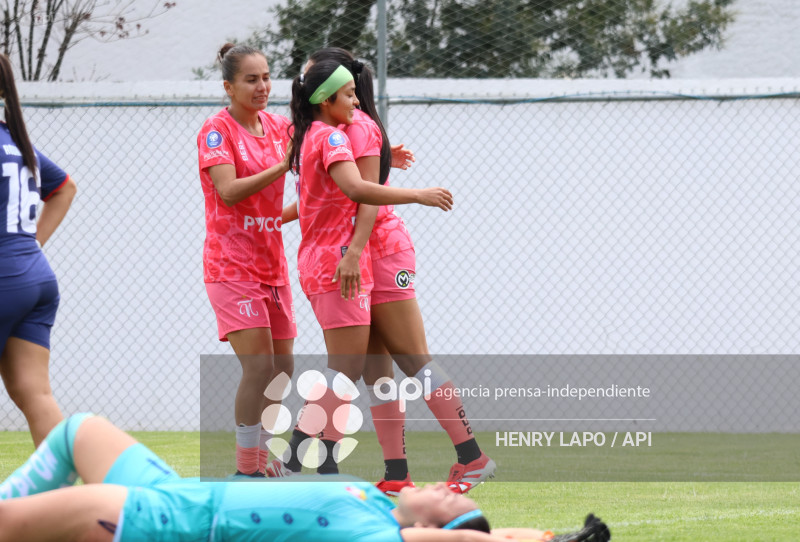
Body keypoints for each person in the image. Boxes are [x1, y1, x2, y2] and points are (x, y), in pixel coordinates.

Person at [303, 48, 495, 496]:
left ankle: (473, 458)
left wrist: (353, 249)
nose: (305, 78)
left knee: (413, 358)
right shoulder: (336, 129)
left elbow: (365, 198)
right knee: (377, 371)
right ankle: (395, 474)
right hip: (362, 256)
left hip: (381, 251)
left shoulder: (358, 126)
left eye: (312, 71)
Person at [0, 412, 610, 542]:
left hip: (157, 524)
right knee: (81, 431)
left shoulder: (379, 540)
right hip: (173, 491)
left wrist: (557, 541)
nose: (447, 486)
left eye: (452, 501)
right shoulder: (374, 498)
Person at [275, 59, 453, 476]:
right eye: (349, 94)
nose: (357, 102)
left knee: (358, 371)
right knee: (351, 370)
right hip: (341, 262)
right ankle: (294, 460)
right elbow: (357, 189)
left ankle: (333, 467)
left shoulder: (308, 136)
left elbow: (317, 198)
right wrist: (416, 195)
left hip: (325, 260)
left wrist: (270, 221)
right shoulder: (334, 137)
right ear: (326, 98)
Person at [196, 43, 298, 477]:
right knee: (258, 365)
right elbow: (230, 191)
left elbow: (318, 162)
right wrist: (282, 167)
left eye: (267, 77)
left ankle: (263, 455)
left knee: (284, 368)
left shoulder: (280, 128)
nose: (263, 86)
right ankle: (246, 466)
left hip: (272, 265)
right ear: (229, 86)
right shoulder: (216, 131)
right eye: (251, 79)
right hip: (230, 267)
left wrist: (375, 165)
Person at [0, 53, 77, 447]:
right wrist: (29, 245)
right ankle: (66, 503)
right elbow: (65, 187)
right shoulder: (14, 138)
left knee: (32, 393)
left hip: (6, 277)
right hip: (34, 275)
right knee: (35, 393)